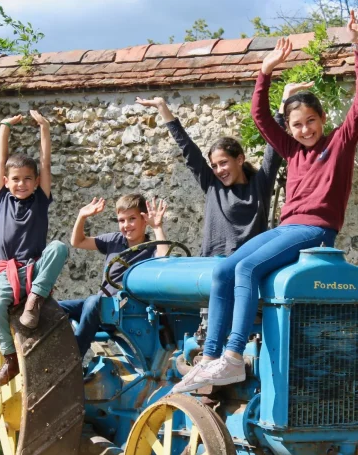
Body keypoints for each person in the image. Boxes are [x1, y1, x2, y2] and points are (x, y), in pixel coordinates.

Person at [171, 12, 358, 394]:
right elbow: (260, 116)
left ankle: (234, 357)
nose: (304, 129)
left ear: (322, 118)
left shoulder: (338, 145)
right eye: (297, 124)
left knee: (247, 270)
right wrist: (265, 71)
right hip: (287, 228)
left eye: (310, 121)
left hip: (316, 229)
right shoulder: (291, 151)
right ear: (289, 130)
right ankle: (209, 358)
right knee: (224, 270)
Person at [135, 94, 289, 257]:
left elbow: (273, 148)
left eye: (223, 163)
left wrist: (285, 99)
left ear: (240, 159)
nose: (219, 170)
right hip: (211, 266)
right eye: (214, 166)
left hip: (249, 265)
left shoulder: (260, 185)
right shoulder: (212, 185)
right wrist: (162, 107)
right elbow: (188, 148)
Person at [0, 111, 68, 388]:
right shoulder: (0, 200)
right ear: (7, 182)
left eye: (27, 179)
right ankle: (10, 359)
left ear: (35, 182)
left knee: (58, 247)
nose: (21, 184)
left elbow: (45, 162)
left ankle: (34, 300)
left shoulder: (40, 200)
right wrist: (4, 127)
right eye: (16, 179)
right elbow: (1, 160)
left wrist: (44, 128)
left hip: (35, 268)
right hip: (7, 273)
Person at [59, 194, 168, 359]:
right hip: (98, 307)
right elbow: (78, 242)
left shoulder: (151, 249)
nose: (126, 225)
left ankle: (73, 359)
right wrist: (82, 216)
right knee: (54, 308)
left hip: (123, 311)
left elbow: (163, 262)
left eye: (132, 219)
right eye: (121, 220)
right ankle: (52, 355)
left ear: (144, 220)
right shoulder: (114, 240)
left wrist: (157, 227)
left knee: (93, 301)